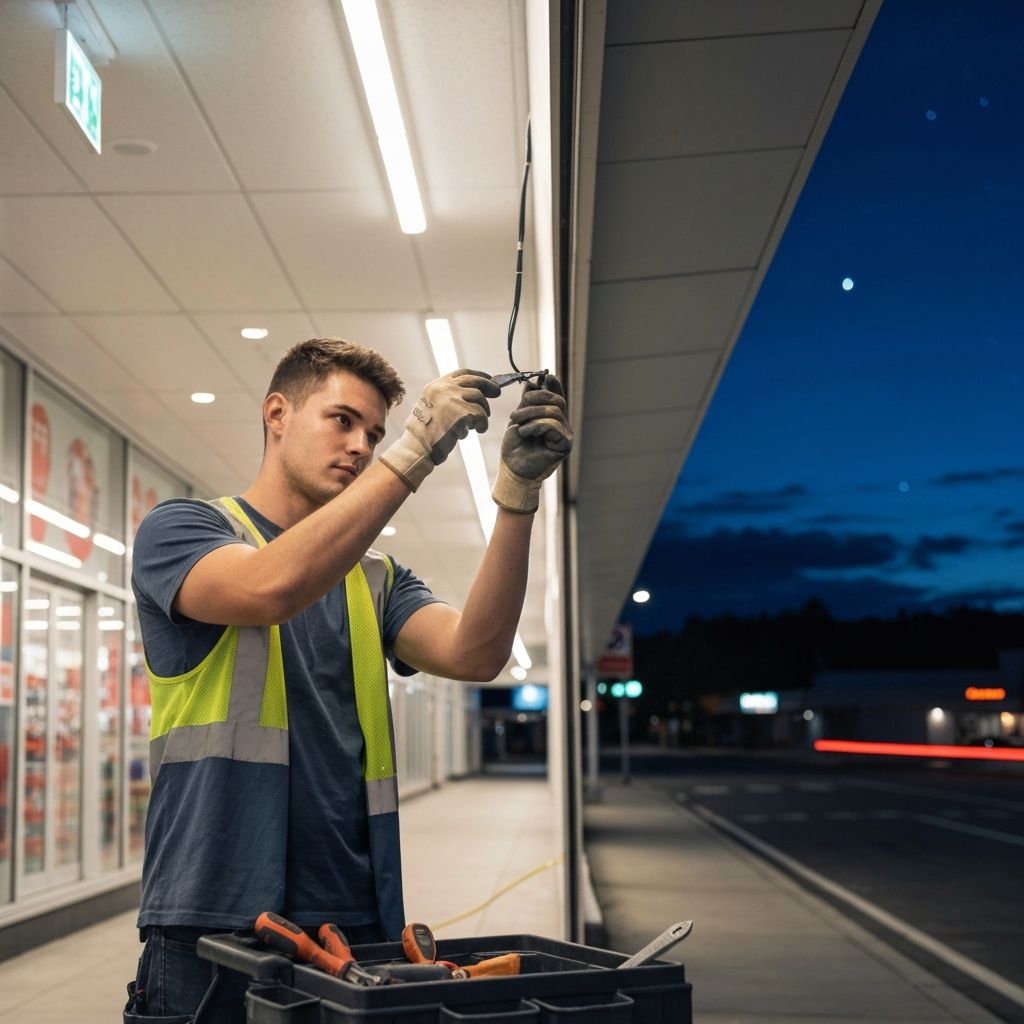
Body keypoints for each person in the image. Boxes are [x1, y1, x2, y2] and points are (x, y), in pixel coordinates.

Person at [124, 338, 572, 1023]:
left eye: (376, 433)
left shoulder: (377, 578)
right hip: (212, 921)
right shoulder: (183, 530)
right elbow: (269, 587)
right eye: (342, 420)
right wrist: (415, 450)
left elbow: (478, 654)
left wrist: (517, 497)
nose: (361, 445)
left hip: (353, 922)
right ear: (277, 414)